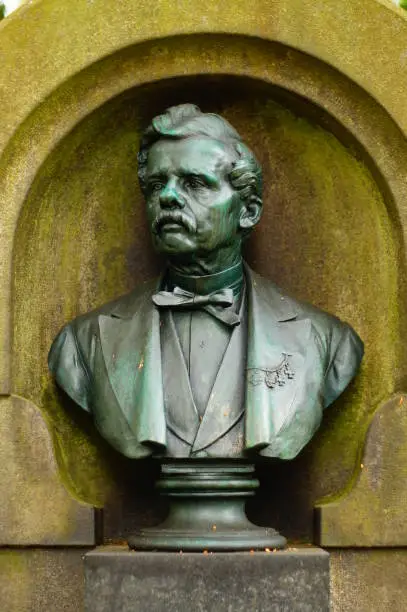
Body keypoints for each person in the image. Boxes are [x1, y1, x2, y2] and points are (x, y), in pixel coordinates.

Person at [48, 104, 363, 461]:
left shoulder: (328, 342)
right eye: (155, 184)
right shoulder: (82, 345)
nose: (167, 197)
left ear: (248, 210)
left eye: (194, 183)